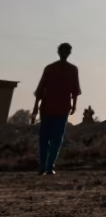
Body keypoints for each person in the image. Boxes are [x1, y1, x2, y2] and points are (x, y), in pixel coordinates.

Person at [31, 42, 81, 176]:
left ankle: (50, 166)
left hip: (63, 108)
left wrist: (74, 105)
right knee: (44, 138)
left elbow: (75, 90)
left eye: (67, 51)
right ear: (58, 52)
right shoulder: (50, 69)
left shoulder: (73, 70)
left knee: (57, 139)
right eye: (62, 51)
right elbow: (40, 89)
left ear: (69, 53)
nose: (64, 54)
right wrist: (35, 108)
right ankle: (43, 166)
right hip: (47, 107)